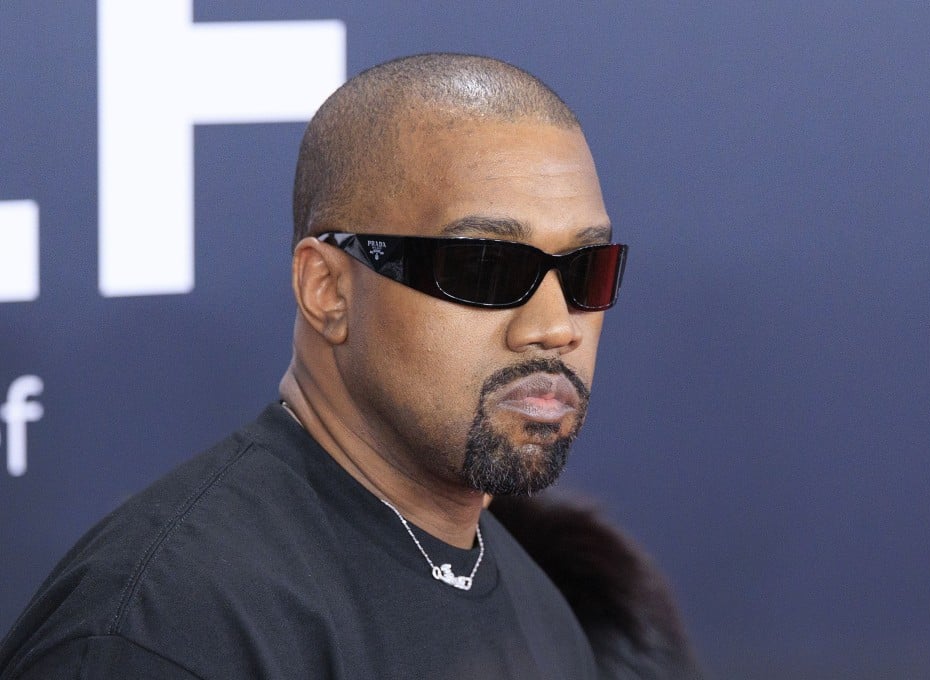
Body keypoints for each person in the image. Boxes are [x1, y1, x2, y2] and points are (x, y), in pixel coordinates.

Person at [0, 53, 697, 679]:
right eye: (485, 266)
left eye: (586, 270)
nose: (553, 327)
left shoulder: (543, 616)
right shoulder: (168, 628)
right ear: (328, 290)